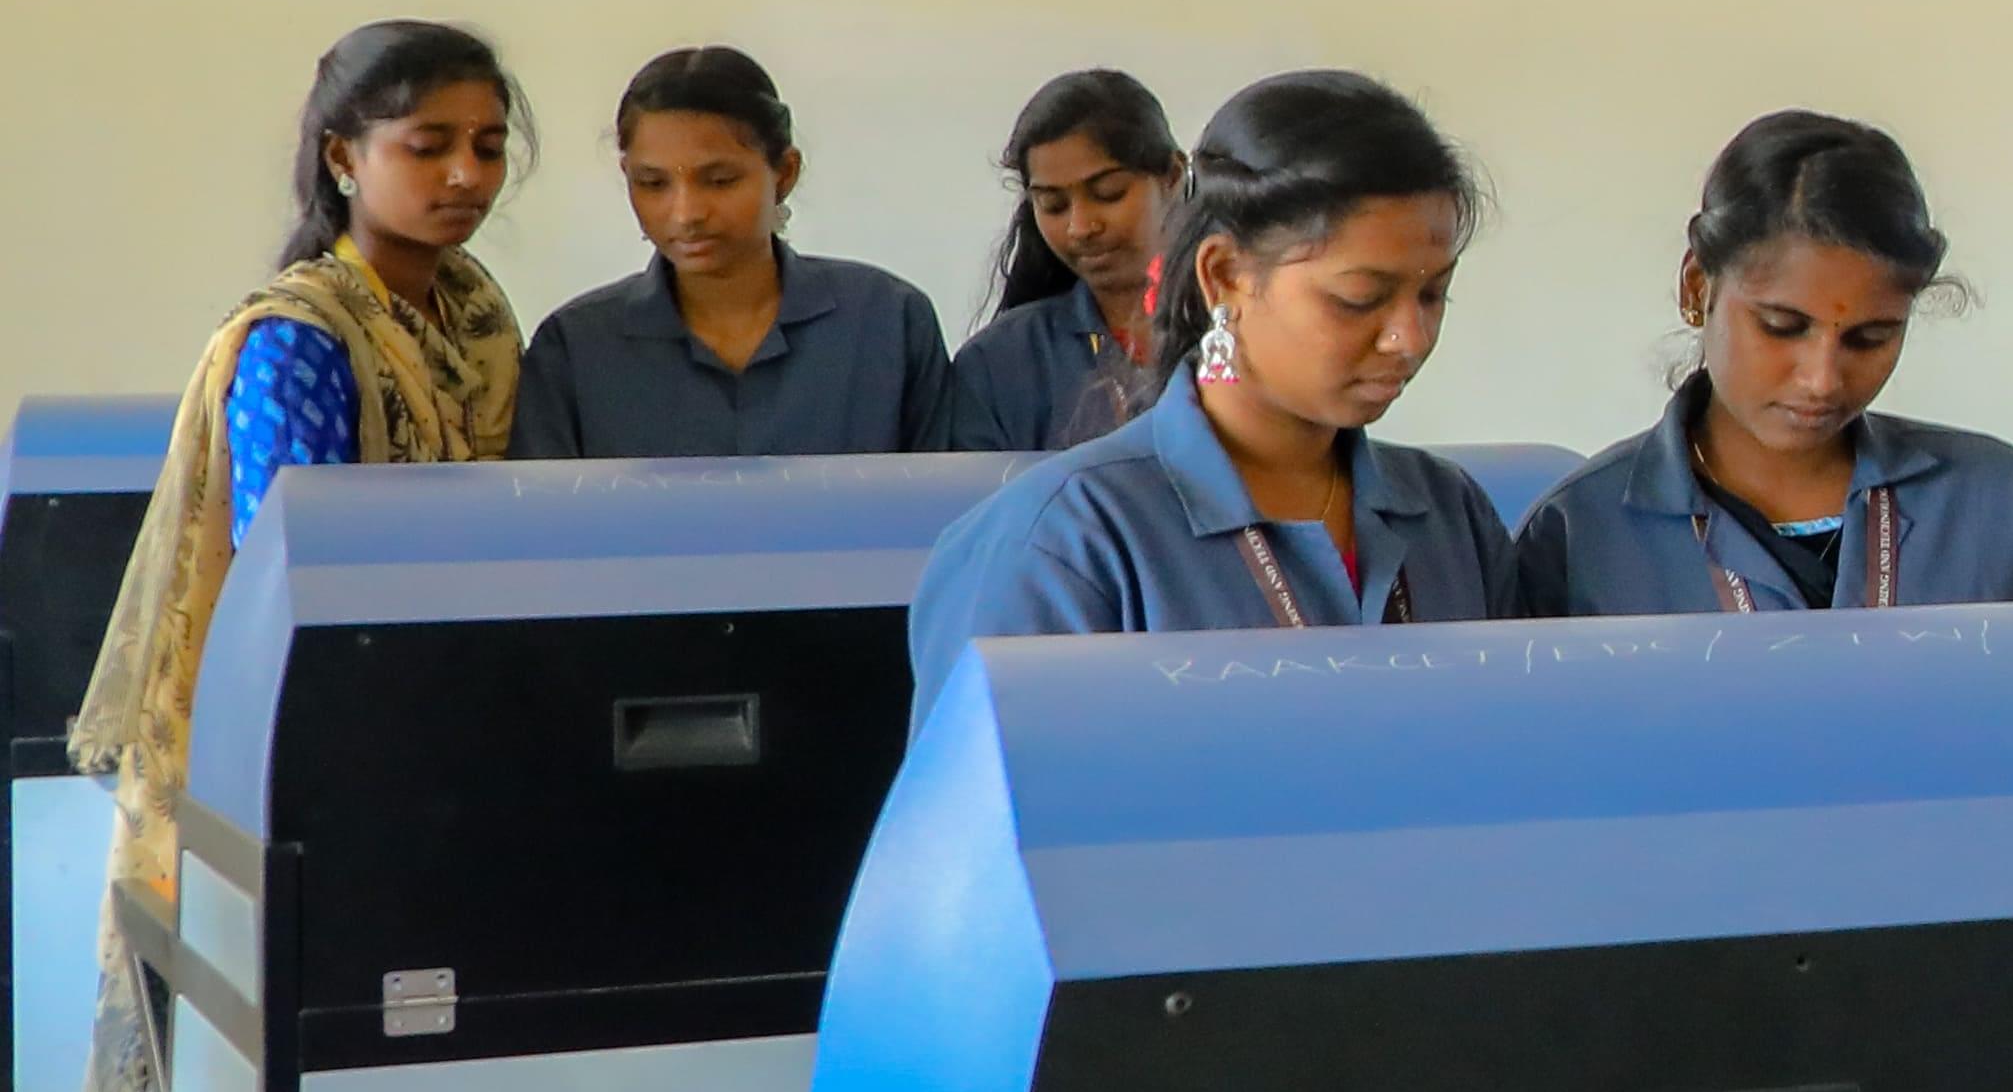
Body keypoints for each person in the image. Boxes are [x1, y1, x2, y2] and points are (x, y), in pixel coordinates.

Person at [60, 24, 526, 1092]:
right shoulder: (300, 340)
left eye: (487, 144)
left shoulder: (476, 315)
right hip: (329, 740)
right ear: (341, 157)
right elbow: (297, 571)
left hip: (465, 717)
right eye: (428, 145)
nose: (466, 174)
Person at [913, 71, 1515, 657]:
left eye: (1433, 293)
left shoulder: (1449, 514)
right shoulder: (1056, 544)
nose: (1410, 337)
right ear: (1224, 275)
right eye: (1359, 298)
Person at [1521, 112, 2013, 615]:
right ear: (1697, 288)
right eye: (1782, 327)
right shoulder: (1579, 533)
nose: (1823, 379)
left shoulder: (1992, 499)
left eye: (1871, 338)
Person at [506, 47, 954, 458]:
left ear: (784, 173)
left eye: (719, 181)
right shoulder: (576, 348)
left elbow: (951, 515)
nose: (686, 213)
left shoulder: (886, 323)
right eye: (653, 184)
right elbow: (546, 529)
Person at [941, 69, 1181, 456]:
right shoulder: (1000, 363)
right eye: (1052, 205)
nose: (1081, 226)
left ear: (1172, 176)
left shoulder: (1250, 328)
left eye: (1109, 194)